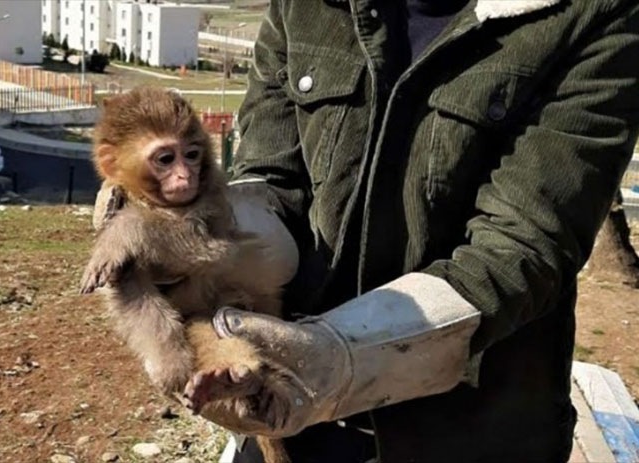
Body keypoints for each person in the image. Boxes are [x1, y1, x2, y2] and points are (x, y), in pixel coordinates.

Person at [195, 0, 639, 462]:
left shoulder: (593, 14)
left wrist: (339, 359)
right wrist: (195, 234)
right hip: (291, 429)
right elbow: (274, 176)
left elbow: (522, 245)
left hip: (469, 436)